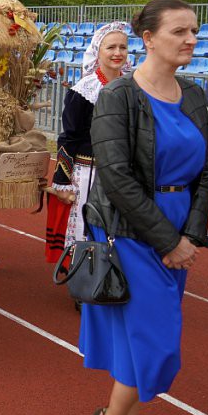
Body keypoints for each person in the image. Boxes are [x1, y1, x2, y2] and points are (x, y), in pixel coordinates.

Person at [78, 0, 208, 415]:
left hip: (178, 227)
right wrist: (170, 241)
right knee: (156, 346)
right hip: (130, 230)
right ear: (149, 38)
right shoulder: (119, 95)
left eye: (194, 31)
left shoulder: (193, 93)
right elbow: (117, 179)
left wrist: (191, 234)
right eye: (180, 32)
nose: (191, 39)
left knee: (141, 341)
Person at [46, 23, 130, 276]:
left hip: (123, 172)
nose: (117, 52)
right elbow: (68, 137)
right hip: (88, 171)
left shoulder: (134, 87)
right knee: (86, 224)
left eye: (123, 47)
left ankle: (112, 277)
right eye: (111, 47)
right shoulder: (84, 90)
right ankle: (84, 279)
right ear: (98, 51)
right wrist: (62, 179)